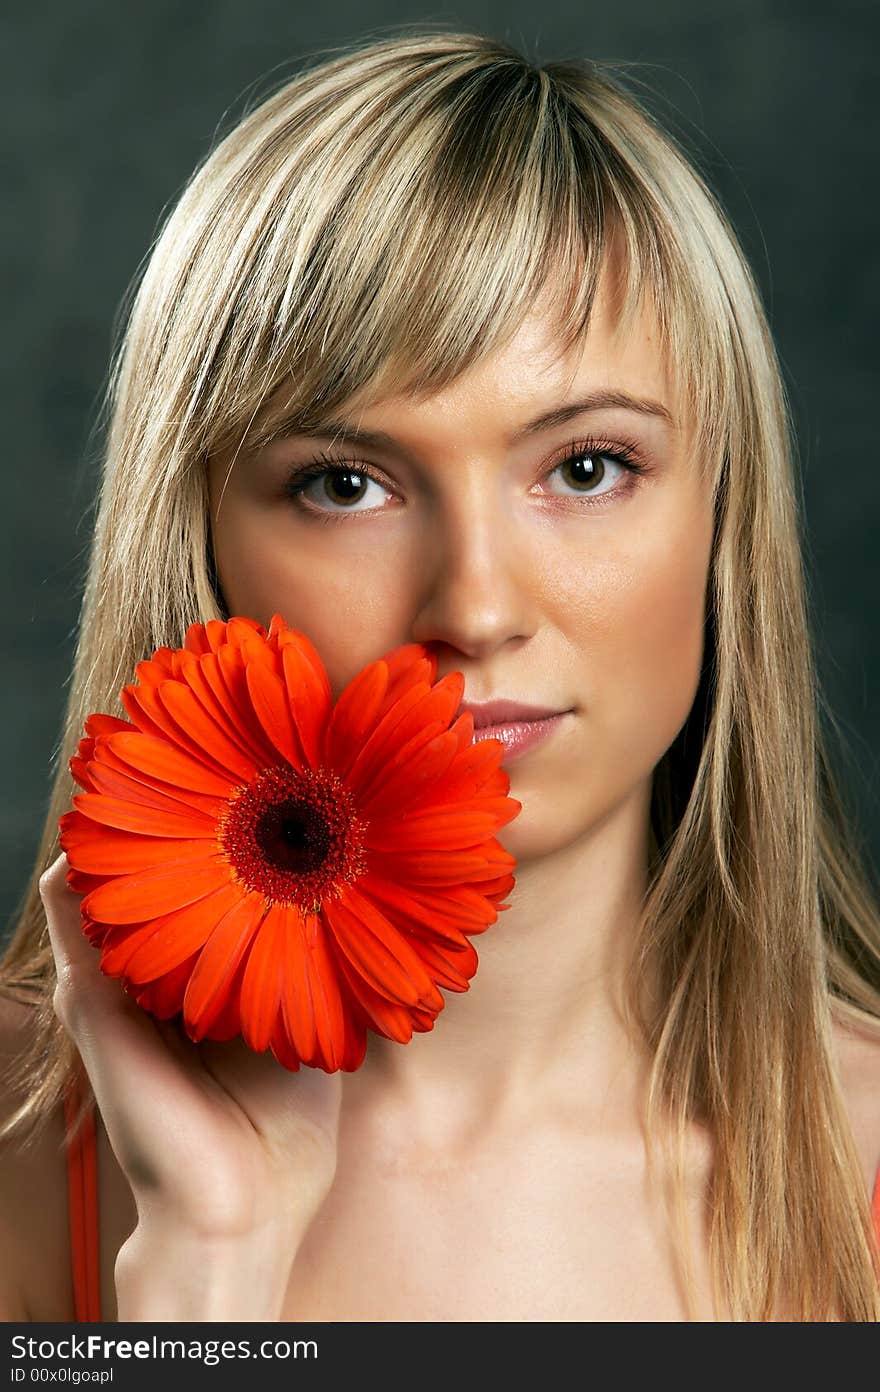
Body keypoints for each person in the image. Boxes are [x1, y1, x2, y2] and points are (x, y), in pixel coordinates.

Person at [1, 27, 879, 1324]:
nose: (474, 607)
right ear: (199, 542)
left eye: (586, 468)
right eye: (345, 484)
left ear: (724, 520)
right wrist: (205, 1270)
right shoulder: (23, 1141)